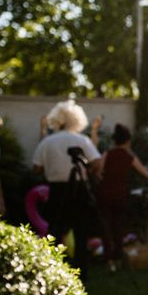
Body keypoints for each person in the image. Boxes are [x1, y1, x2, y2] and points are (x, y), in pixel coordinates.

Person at [32, 100, 101, 281]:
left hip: (56, 190)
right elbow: (97, 162)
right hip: (79, 189)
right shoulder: (81, 140)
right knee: (81, 233)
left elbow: (36, 168)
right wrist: (90, 172)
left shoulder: (47, 142)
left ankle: (54, 272)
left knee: (55, 232)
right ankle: (81, 275)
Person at [97, 123, 148, 273]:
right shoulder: (129, 156)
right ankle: (118, 259)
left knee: (106, 228)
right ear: (128, 140)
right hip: (120, 195)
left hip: (104, 194)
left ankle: (109, 260)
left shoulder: (107, 154)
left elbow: (98, 172)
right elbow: (147, 174)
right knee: (118, 227)